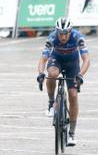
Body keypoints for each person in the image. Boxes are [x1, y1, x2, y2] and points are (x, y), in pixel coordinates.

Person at [37, 17, 90, 146]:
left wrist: (80, 75)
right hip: (57, 60)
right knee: (52, 74)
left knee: (73, 95)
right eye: (60, 33)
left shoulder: (78, 37)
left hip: (72, 64)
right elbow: (43, 59)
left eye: (66, 33)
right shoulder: (51, 38)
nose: (63, 36)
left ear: (71, 31)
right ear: (56, 31)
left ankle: (71, 133)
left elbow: (86, 59)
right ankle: (51, 103)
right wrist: (40, 73)